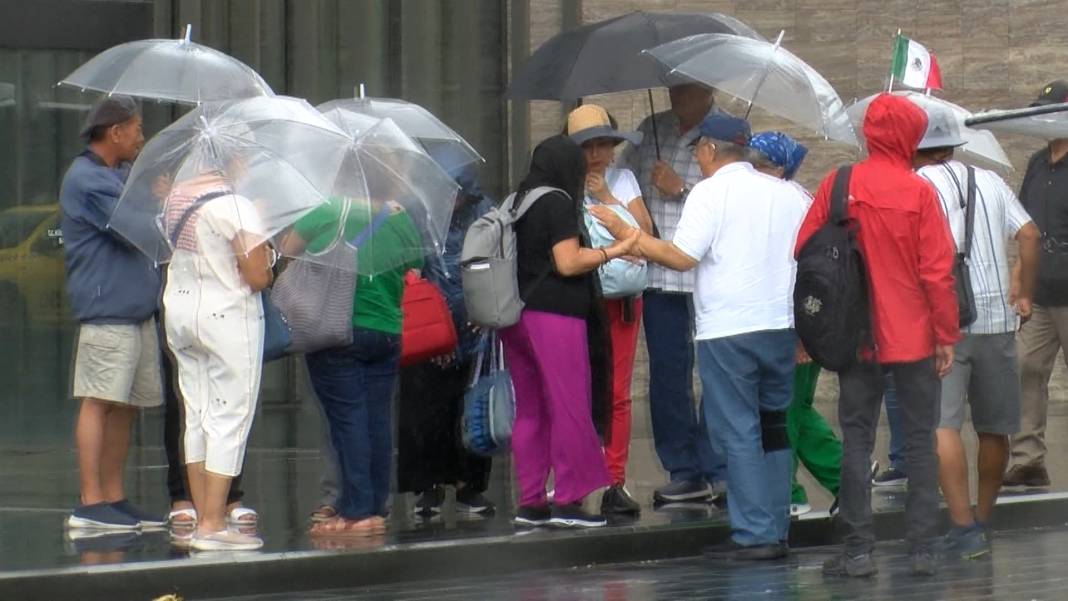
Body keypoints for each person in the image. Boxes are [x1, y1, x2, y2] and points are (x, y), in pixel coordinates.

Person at [594, 114, 808, 559]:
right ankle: (776, 525)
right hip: (781, 325)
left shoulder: (711, 193)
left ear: (711, 149)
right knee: (773, 429)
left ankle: (755, 535)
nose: (695, 157)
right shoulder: (791, 193)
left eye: (696, 150)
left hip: (729, 330)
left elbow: (680, 256)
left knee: (740, 432)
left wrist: (627, 236)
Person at [796, 94, 959, 578]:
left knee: (856, 439)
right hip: (912, 334)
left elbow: (803, 248)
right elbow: (938, 273)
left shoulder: (839, 183)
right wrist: (945, 334)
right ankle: (923, 547)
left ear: (868, 133)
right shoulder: (919, 193)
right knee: (918, 439)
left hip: (854, 335)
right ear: (910, 137)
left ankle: (858, 549)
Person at [914, 106, 1040, 558]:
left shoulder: (919, 185)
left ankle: (963, 529)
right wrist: (1023, 291)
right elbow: (1029, 233)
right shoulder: (990, 180)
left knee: (943, 425)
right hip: (998, 318)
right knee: (994, 427)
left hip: (946, 320)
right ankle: (984, 519)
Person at [506, 135, 638, 529]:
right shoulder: (558, 201)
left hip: (515, 317)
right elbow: (567, 262)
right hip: (556, 316)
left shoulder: (517, 200)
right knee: (569, 406)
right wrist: (615, 249)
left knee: (530, 410)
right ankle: (567, 499)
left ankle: (530, 502)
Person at [287, 192, 424, 536]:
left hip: (338, 327)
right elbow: (415, 267)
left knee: (347, 421)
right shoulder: (401, 218)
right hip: (388, 329)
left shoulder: (331, 209)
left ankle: (356, 510)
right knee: (377, 420)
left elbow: (287, 247)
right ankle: (376, 506)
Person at [59, 95, 165, 531]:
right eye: (137, 129)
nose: (141, 137)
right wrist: (157, 199)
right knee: (99, 399)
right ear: (115, 131)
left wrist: (149, 194)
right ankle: (89, 502)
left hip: (135, 310)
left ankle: (114, 496)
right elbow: (138, 228)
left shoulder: (117, 174)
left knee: (126, 405)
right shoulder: (87, 179)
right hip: (107, 311)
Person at [618, 82, 726, 504]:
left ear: (707, 90)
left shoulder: (726, 131)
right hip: (660, 275)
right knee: (667, 374)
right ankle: (683, 468)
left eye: (686, 88)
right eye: (673, 86)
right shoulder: (651, 129)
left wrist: (680, 189)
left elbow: (732, 197)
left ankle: (718, 466)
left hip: (707, 275)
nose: (676, 94)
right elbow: (626, 185)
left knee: (716, 373)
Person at [161, 158, 273, 551]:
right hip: (226, 316)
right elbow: (257, 275)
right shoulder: (236, 204)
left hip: (181, 310)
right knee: (230, 414)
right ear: (232, 159)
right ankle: (212, 521)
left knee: (197, 414)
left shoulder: (178, 198)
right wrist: (268, 250)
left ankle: (201, 518)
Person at [749, 131, 845, 518]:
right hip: (794, 323)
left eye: (759, 163)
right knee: (790, 409)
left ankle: (795, 491)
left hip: (797, 324)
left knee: (785, 410)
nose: (752, 170)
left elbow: (802, 272)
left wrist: (801, 331)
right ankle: (846, 481)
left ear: (777, 168)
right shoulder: (791, 201)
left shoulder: (792, 205)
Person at [566, 104, 653, 515]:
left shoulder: (623, 179)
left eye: (604, 144)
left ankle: (614, 478)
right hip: (578, 297)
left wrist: (606, 197)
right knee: (578, 389)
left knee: (616, 392)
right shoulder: (560, 185)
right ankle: (579, 476)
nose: (598, 154)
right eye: (588, 146)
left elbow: (646, 233)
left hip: (620, 302)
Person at [396, 165, 495, 516]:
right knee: (425, 409)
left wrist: (484, 310)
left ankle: (470, 485)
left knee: (470, 407)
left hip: (475, 324)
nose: (454, 202)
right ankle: (428, 485)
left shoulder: (486, 213)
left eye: (461, 196)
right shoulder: (416, 213)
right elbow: (408, 266)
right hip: (429, 324)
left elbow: (498, 264)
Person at [1006, 79, 1068, 490]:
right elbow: (1024, 224)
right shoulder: (1036, 163)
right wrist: (1018, 276)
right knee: (1023, 366)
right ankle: (1027, 459)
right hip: (1041, 292)